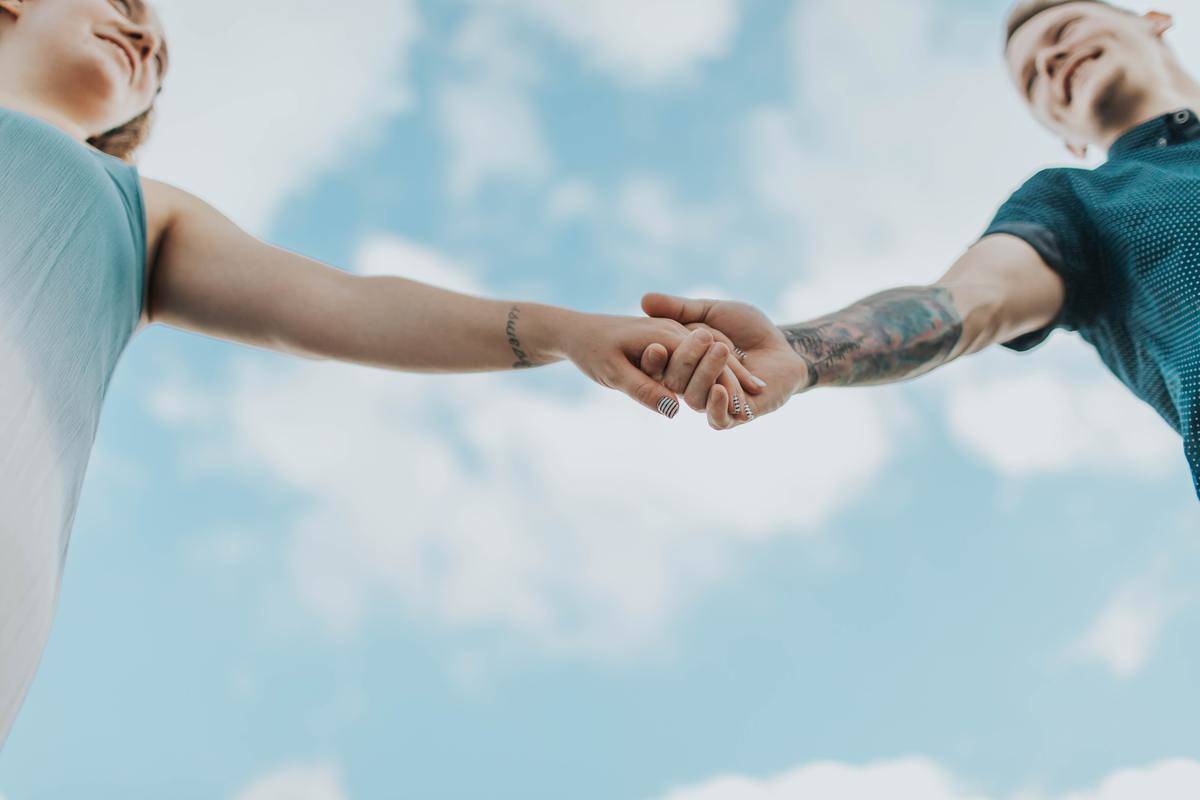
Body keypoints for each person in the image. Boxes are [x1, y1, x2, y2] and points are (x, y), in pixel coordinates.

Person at [0, 0, 767, 748]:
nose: (146, 43)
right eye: (124, 4)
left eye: (161, 58)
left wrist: (567, 331)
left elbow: (347, 304)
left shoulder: (141, 214)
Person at [647, 0, 1200, 500]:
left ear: (1154, 22)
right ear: (1066, 138)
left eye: (1064, 30)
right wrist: (802, 350)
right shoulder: (1075, 203)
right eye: (1032, 79)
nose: (1050, 61)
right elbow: (967, 300)